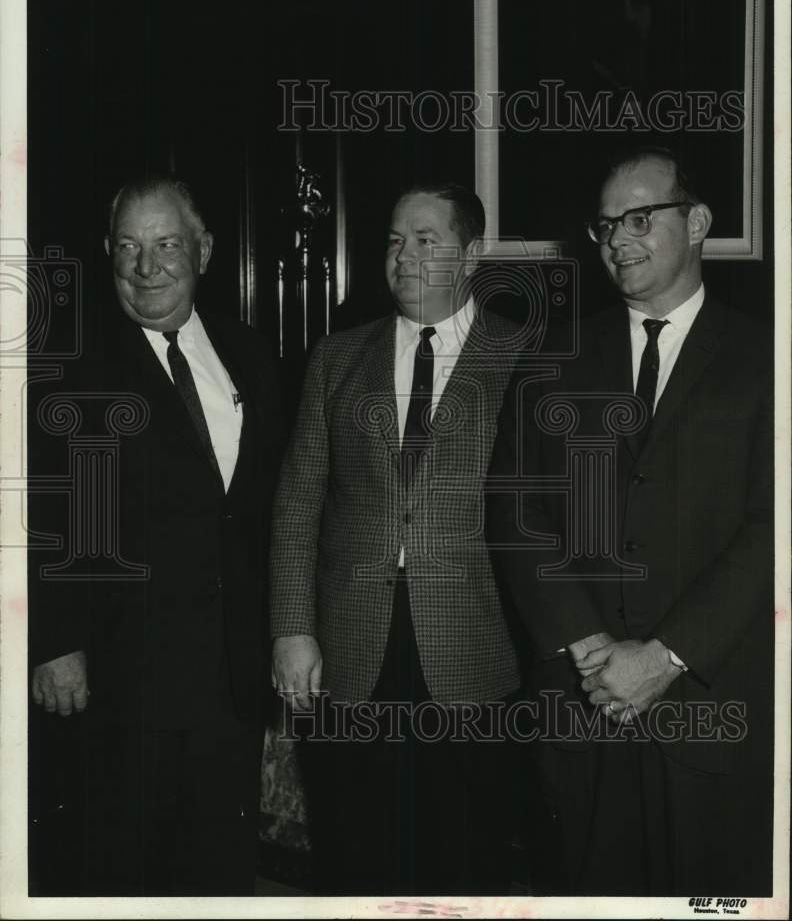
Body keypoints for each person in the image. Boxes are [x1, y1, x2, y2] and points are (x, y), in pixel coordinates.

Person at [487, 146, 773, 895]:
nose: (617, 241)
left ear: (700, 221)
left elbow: (775, 528)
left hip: (713, 716)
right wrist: (588, 648)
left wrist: (665, 656)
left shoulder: (766, 358)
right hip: (583, 719)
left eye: (640, 219)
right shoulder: (555, 355)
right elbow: (515, 511)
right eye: (606, 224)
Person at [29, 175, 283, 894]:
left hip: (231, 672)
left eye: (167, 244)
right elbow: (43, 515)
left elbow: (268, 506)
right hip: (118, 676)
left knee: (220, 869)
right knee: (121, 872)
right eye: (129, 249)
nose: (148, 268)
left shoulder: (250, 353)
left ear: (202, 250)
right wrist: (54, 642)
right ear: (108, 254)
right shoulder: (70, 364)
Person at [270, 183, 522, 895]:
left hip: (477, 645)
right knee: (356, 855)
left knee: (468, 861)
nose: (402, 256)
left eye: (425, 239)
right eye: (391, 240)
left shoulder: (525, 356)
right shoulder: (336, 358)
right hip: (351, 647)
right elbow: (296, 505)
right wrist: (292, 627)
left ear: (470, 253)